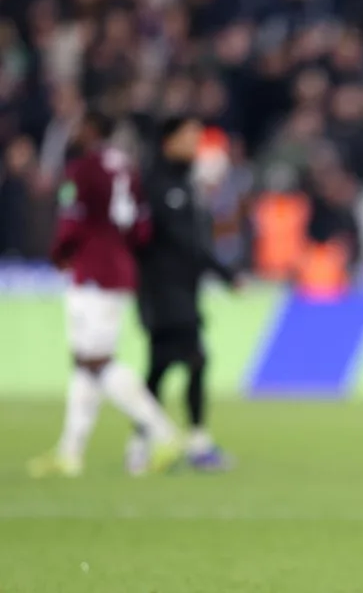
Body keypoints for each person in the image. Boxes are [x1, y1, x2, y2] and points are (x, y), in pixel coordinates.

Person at [28, 111, 182, 478]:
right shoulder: (127, 168)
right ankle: (70, 453)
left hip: (92, 271)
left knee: (98, 361)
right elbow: (141, 227)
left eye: (78, 126)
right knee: (84, 361)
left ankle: (165, 434)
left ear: (91, 129)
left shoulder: (82, 169)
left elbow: (71, 219)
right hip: (119, 269)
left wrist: (59, 255)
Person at [126, 116, 240, 474]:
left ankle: (144, 444)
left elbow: (195, 239)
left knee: (161, 368)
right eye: (189, 137)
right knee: (192, 360)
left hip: (183, 289)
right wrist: (224, 273)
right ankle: (192, 443)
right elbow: (183, 242)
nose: (195, 144)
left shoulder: (185, 183)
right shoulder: (155, 184)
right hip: (161, 290)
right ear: (169, 141)